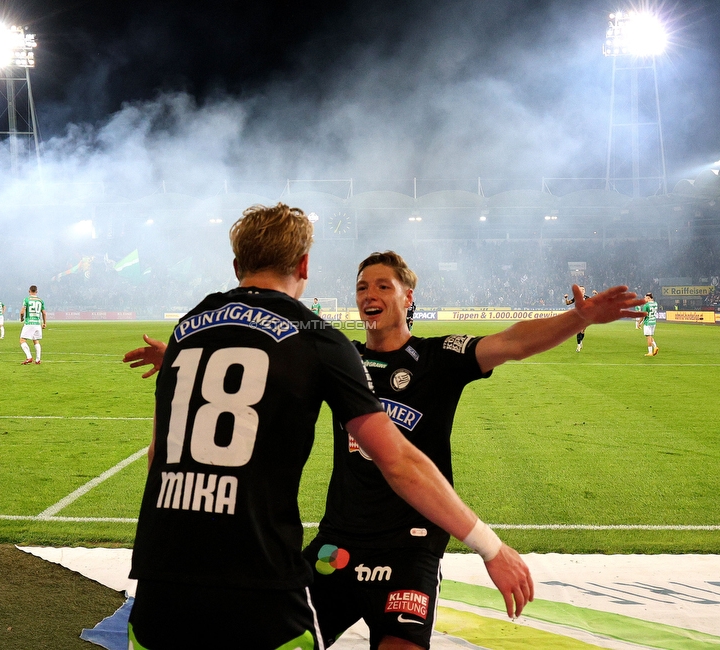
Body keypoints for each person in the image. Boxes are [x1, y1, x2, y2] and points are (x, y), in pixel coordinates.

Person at [121, 205, 533, 650]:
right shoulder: (317, 338)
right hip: (257, 578)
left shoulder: (186, 331)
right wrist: (491, 547)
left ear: (237, 266)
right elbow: (397, 461)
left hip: (160, 579)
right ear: (303, 266)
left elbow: (156, 457)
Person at [303, 251, 645, 649]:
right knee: (281, 638)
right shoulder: (343, 359)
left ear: (407, 297)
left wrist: (579, 317)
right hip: (337, 544)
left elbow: (513, 341)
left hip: (410, 551)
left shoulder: (438, 357)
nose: (369, 294)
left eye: (383, 285)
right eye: (362, 287)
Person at [18, 286, 46, 365]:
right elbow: (44, 313)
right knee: (36, 340)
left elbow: (22, 312)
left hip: (29, 323)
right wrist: (44, 323)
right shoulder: (40, 300)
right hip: (37, 324)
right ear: (37, 291)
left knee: (22, 340)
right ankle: (38, 360)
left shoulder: (26, 299)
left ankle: (29, 357)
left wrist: (21, 318)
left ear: (29, 291)